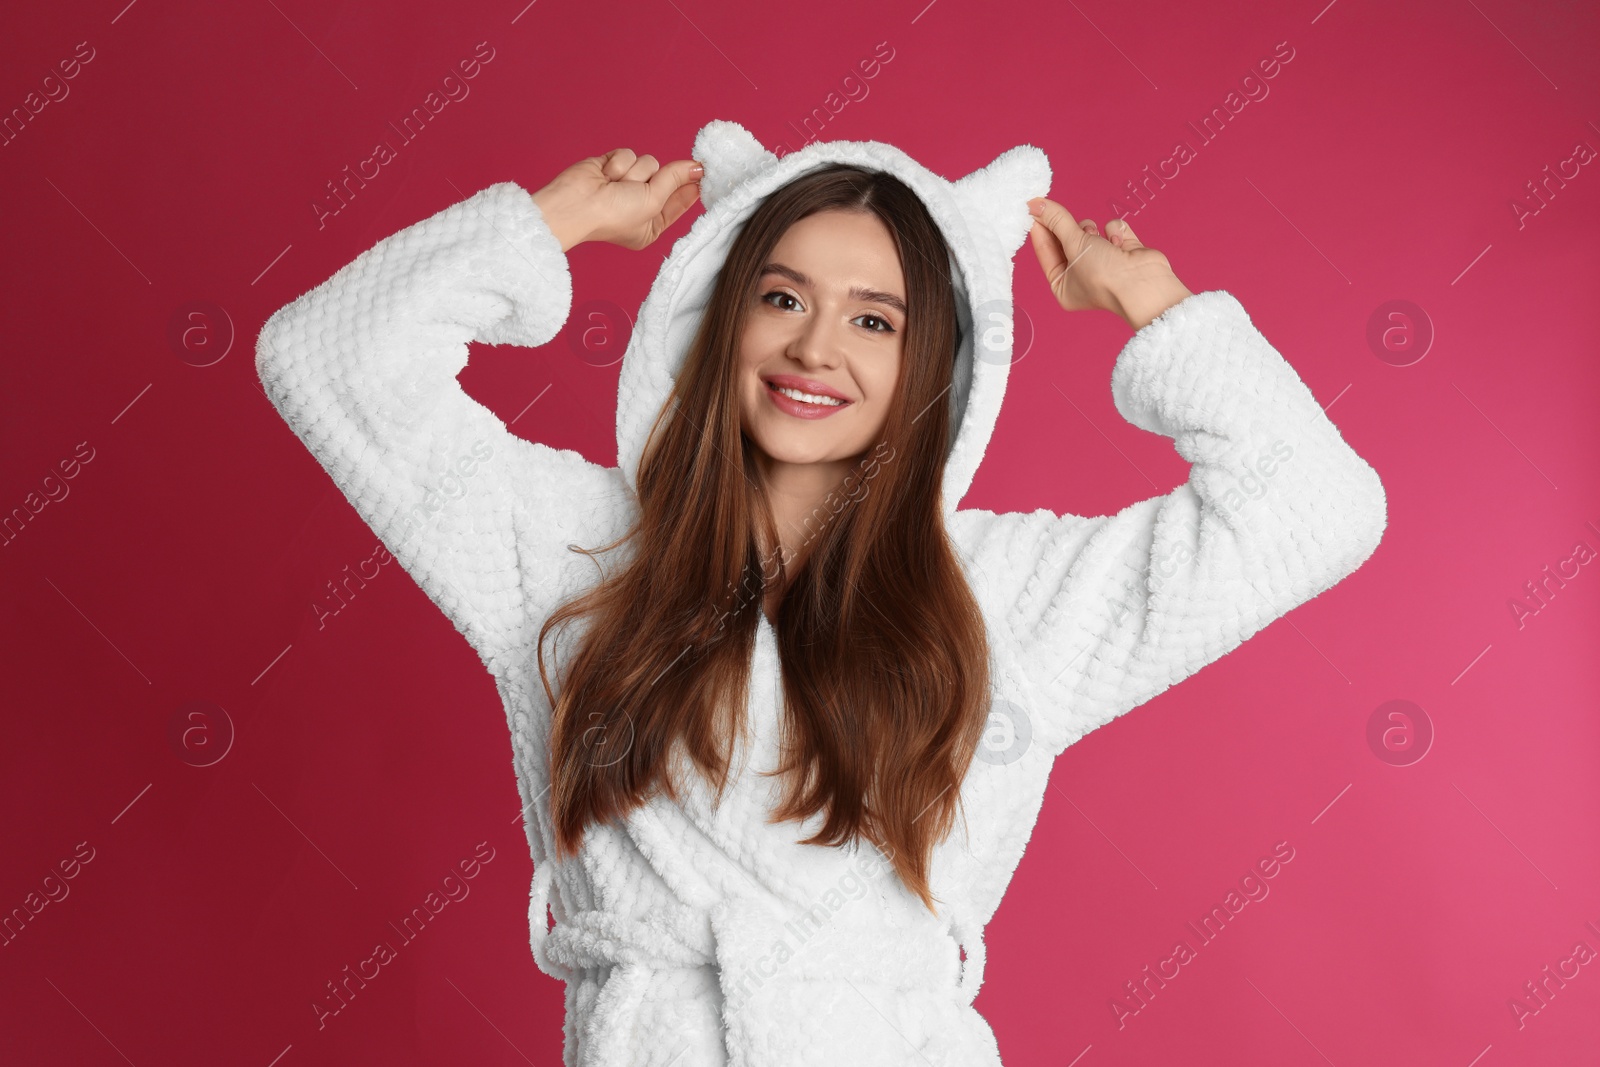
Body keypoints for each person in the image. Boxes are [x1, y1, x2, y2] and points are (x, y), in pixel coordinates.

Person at [254, 119, 1386, 1067]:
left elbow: (1313, 507)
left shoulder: (1002, 593)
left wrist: (1160, 308)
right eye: (782, 298)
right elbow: (325, 361)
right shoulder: (570, 546)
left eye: (874, 319)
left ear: (933, 364)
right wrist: (550, 222)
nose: (816, 349)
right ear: (715, 317)